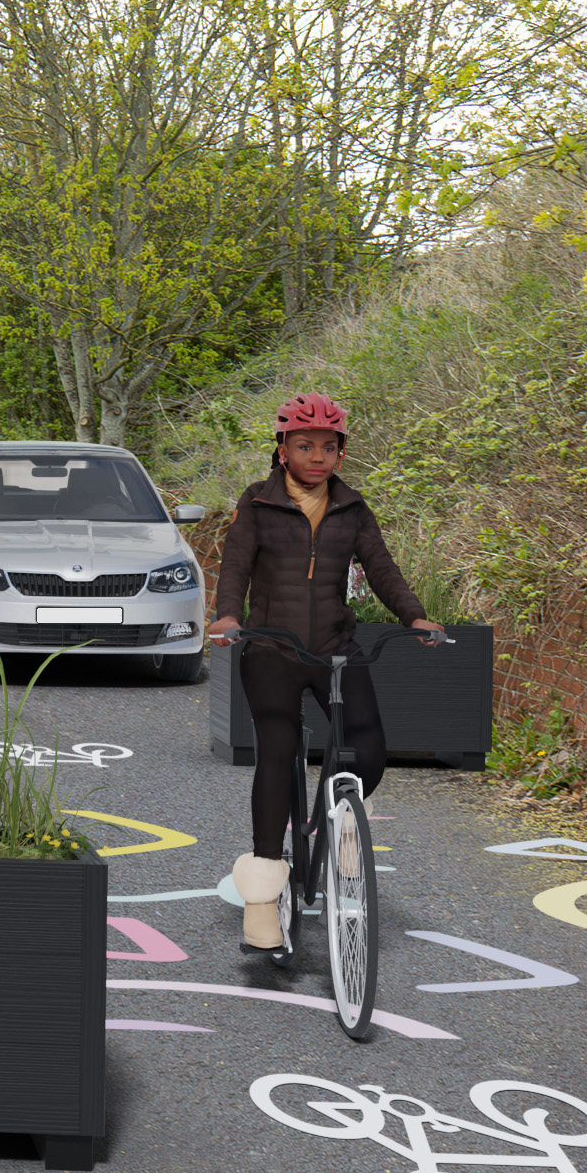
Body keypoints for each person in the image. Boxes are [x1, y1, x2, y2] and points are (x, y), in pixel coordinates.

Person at [204, 393, 450, 962]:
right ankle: (263, 900)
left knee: (368, 749)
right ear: (283, 449)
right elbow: (236, 565)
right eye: (304, 445)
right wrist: (228, 616)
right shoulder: (258, 503)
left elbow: (382, 569)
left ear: (341, 454)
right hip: (271, 649)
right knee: (277, 749)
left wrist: (414, 615)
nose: (317, 456)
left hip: (335, 648)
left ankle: (338, 824)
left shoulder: (353, 510)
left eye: (328, 447)